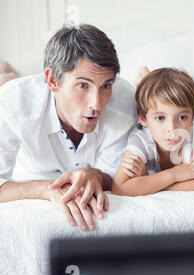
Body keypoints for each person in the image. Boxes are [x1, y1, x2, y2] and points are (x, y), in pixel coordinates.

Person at [0, 24, 138, 231]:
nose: (97, 104)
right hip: (32, 167)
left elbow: (116, 176)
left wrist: (97, 175)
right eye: (83, 85)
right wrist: (46, 188)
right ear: (53, 80)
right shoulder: (13, 101)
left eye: (106, 85)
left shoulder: (126, 104)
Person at [111, 68, 194, 196]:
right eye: (160, 118)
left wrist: (148, 181)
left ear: (192, 117)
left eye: (182, 117)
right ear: (143, 119)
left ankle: (145, 76)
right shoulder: (141, 139)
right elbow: (120, 188)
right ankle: (144, 75)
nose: (172, 128)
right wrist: (174, 174)